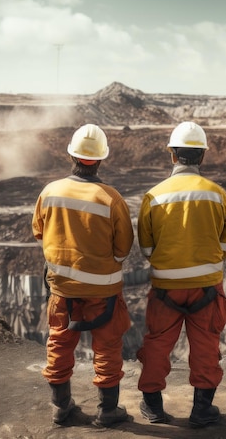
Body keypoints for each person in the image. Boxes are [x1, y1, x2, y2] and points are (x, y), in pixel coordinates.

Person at [32, 123, 134, 426]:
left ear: (71, 157)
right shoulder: (110, 198)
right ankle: (107, 410)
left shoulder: (50, 192)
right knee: (107, 347)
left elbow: (40, 233)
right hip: (104, 292)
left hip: (62, 289)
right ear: (100, 159)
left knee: (59, 344)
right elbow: (123, 248)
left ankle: (60, 408)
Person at [135, 121, 226, 428]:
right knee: (205, 346)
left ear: (172, 155)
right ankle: (202, 410)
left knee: (157, 345)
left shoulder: (154, 196)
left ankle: (153, 407)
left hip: (166, 289)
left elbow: (147, 249)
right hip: (206, 289)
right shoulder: (218, 195)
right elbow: (225, 246)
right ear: (202, 156)